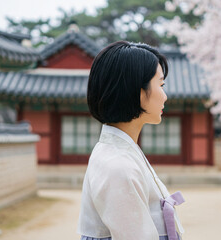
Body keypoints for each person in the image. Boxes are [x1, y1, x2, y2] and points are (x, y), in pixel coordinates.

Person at [77, 41, 184, 240]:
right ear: (138, 91)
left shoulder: (120, 152)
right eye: (160, 85)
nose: (165, 96)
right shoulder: (118, 166)